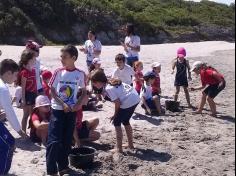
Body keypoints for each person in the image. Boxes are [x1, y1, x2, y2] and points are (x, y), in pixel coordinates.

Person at [46, 45, 87, 176]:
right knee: (54, 140)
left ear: (73, 58)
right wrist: (62, 104)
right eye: (61, 57)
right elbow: (51, 90)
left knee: (67, 139)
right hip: (58, 109)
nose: (61, 59)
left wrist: (78, 104)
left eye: (64, 57)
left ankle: (63, 167)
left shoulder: (80, 74)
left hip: (71, 111)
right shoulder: (58, 72)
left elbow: (84, 91)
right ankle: (51, 170)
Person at [91, 69, 140, 153]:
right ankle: (130, 145)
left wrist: (115, 115)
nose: (94, 85)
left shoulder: (108, 88)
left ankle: (119, 149)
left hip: (128, 101)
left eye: (95, 83)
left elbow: (118, 103)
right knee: (125, 121)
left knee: (116, 122)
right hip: (135, 97)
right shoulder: (110, 80)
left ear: (100, 81)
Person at [0, 59, 27, 175]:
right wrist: (19, 131)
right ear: (8, 73)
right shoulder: (3, 88)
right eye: (16, 75)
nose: (16, 79)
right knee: (9, 144)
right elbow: (10, 112)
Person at [18, 50, 37, 133]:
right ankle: (24, 132)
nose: (35, 60)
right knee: (26, 115)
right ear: (28, 60)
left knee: (33, 114)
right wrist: (23, 99)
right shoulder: (24, 72)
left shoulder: (33, 70)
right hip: (27, 95)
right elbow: (23, 87)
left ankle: (33, 132)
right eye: (34, 59)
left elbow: (35, 83)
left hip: (34, 94)